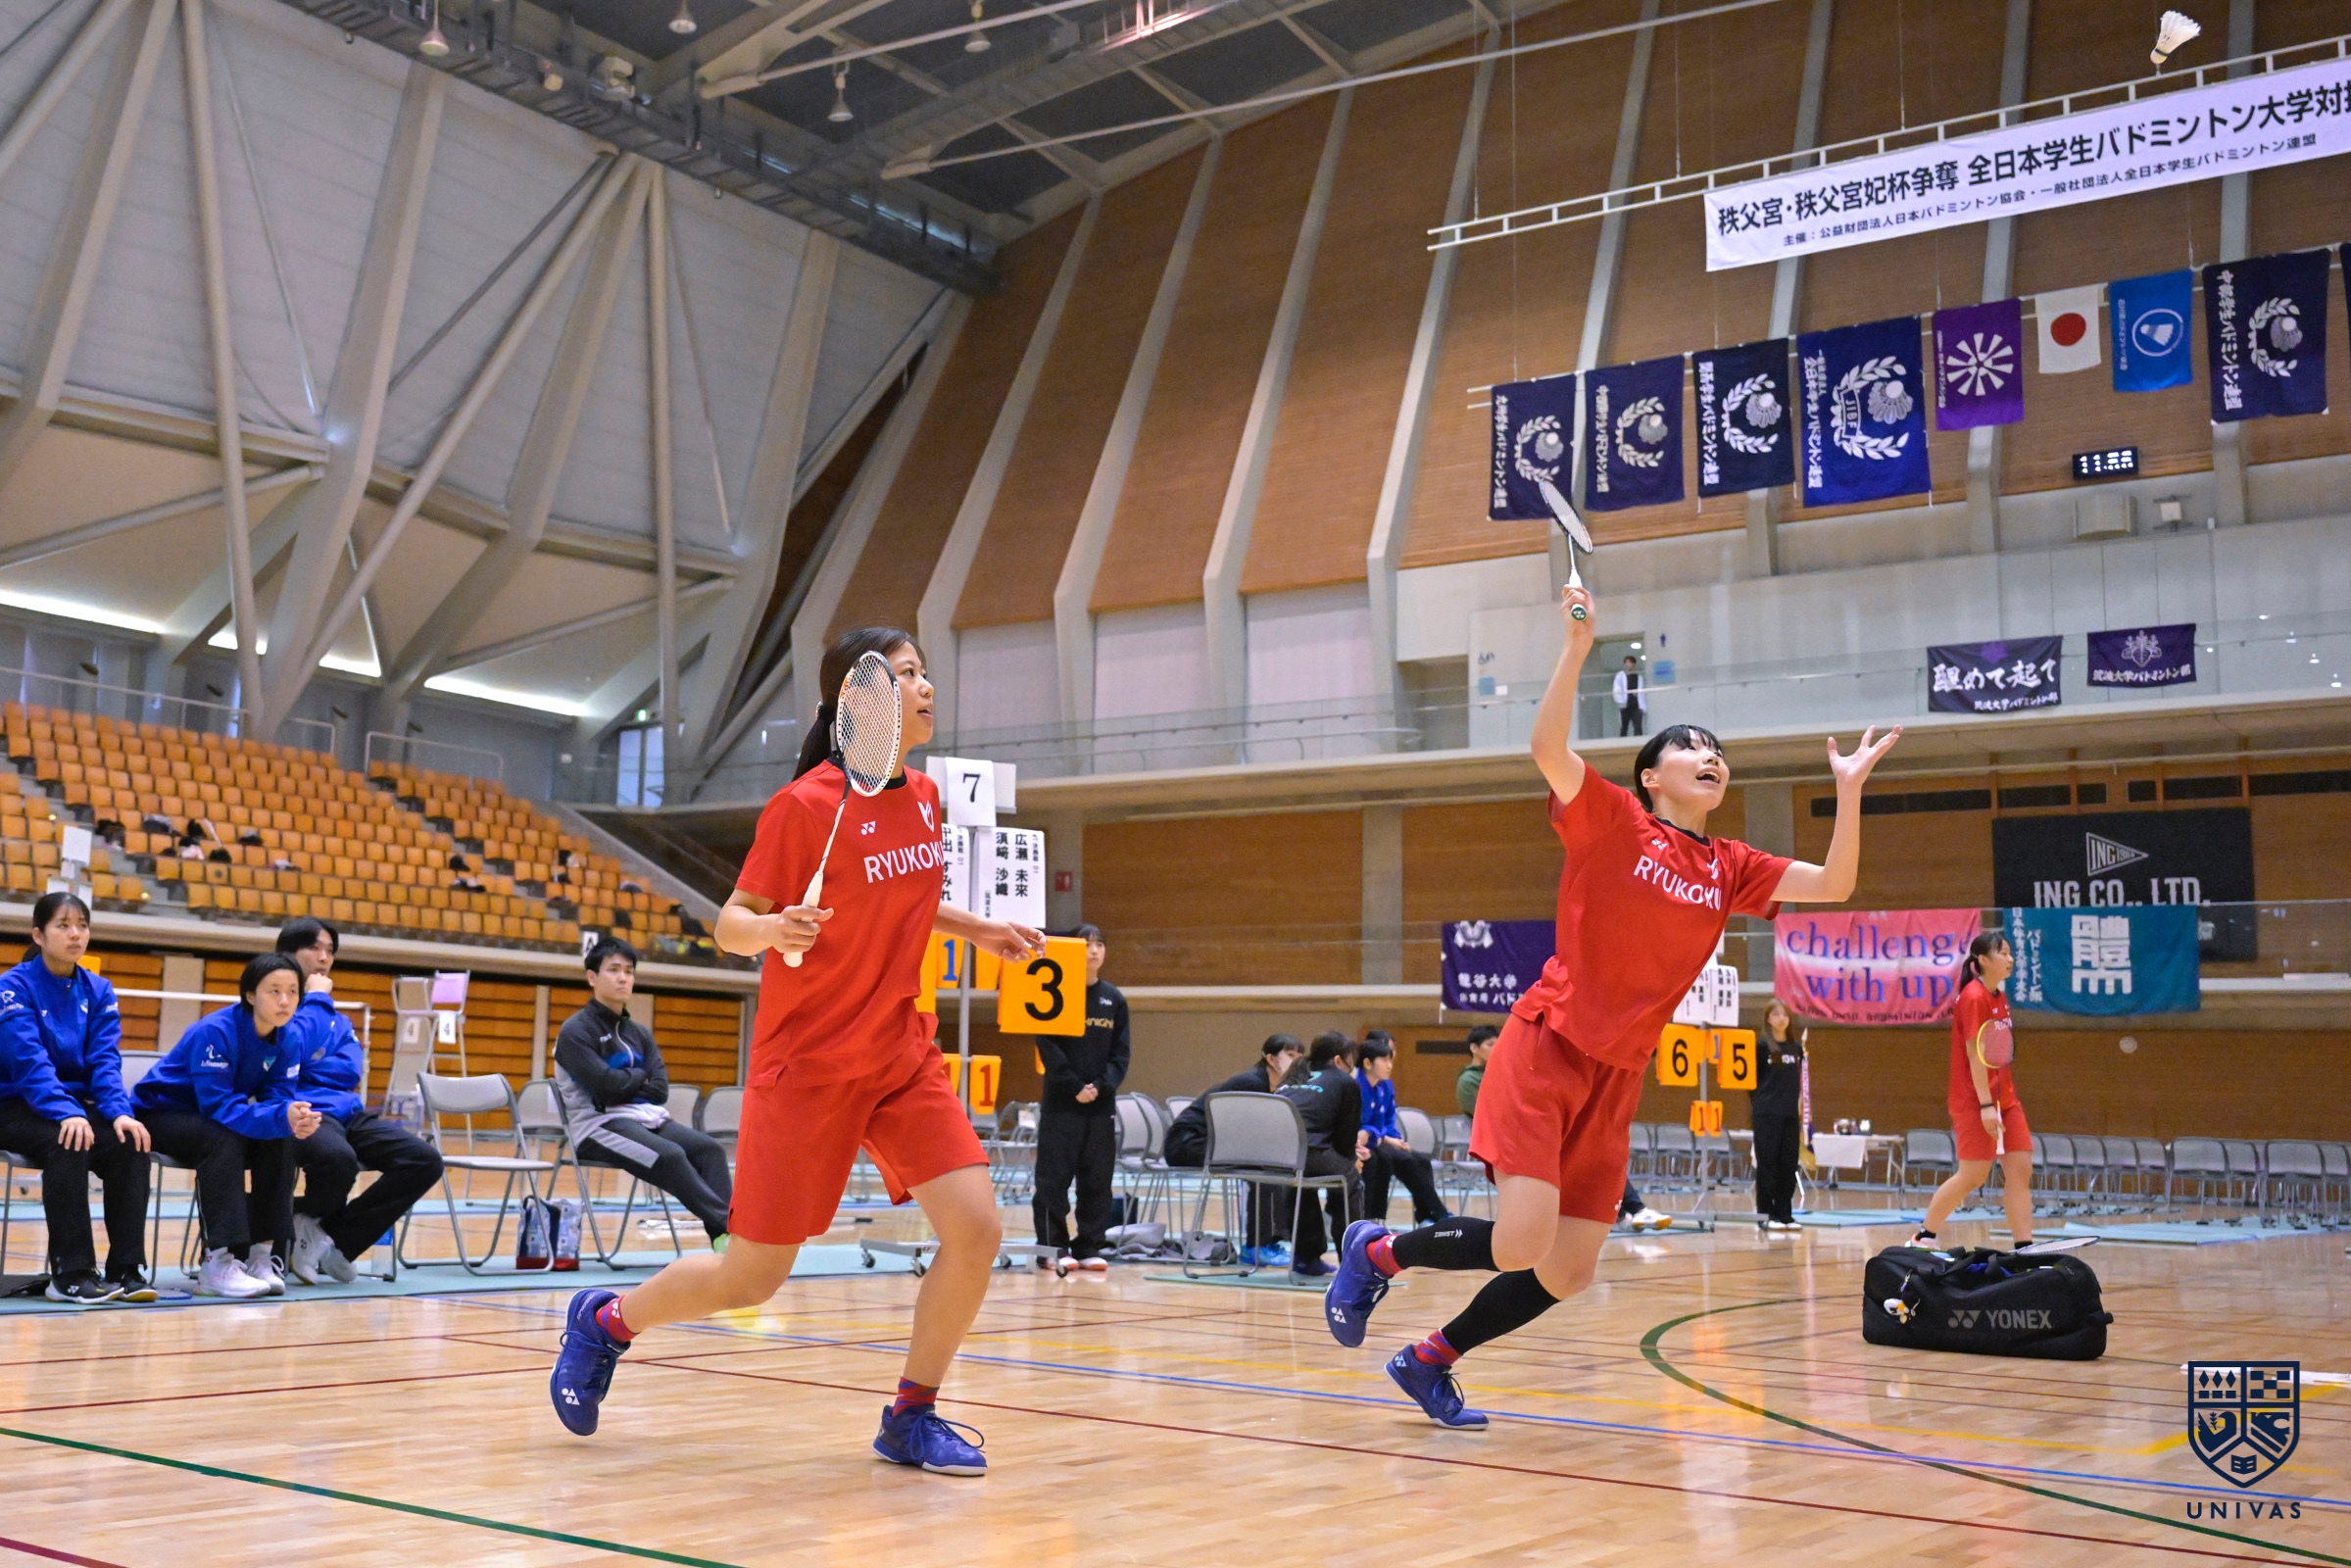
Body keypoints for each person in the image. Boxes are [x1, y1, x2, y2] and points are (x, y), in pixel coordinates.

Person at [1322, 581, 1899, 1429]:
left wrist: (1846, 793)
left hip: (1617, 1074)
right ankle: (1376, 1251)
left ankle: (1429, 1358)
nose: (1709, 756)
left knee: (1568, 1268)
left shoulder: (1731, 866)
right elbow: (1545, 745)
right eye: (1689, 747)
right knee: (1520, 1242)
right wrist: (1576, 651)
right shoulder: (1614, 821)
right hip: (1549, 1043)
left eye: (1716, 750)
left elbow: (1836, 884)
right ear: (1650, 775)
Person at [550, 626, 1042, 1476]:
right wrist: (773, 930)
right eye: (907, 674)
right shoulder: (804, 807)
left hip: (899, 1057)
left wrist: (977, 928)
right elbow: (730, 923)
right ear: (860, 700)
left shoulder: (925, 796)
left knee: (975, 1228)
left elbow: (901, 892)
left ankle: (911, 1414)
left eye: (925, 673)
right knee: (752, 1277)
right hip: (809, 1067)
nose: (927, 686)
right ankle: (605, 1323)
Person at [134, 953, 322, 1299]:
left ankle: (261, 1256)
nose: (285, 1000)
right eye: (274, 991)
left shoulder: (290, 1037)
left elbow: (277, 1098)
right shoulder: (215, 1031)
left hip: (211, 1117)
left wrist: (292, 1117)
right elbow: (217, 1104)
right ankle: (217, 1263)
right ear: (250, 995)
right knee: (222, 1138)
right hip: (161, 1114)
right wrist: (277, 1116)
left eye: (293, 992)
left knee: (281, 1137)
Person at [0, 893, 153, 1303]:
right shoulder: (12, 987)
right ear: (39, 935)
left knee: (130, 1142)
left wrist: (119, 1113)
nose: (75, 934)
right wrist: (66, 1111)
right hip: (13, 1103)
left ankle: (126, 1269)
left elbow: (105, 1060)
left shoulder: (98, 989)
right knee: (68, 1141)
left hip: (70, 1108)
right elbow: (28, 1061)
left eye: (82, 926)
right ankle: (71, 1273)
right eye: (63, 925)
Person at [277, 918, 443, 1284]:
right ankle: (289, 1225)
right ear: (287, 954)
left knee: (424, 1160)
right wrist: (317, 1003)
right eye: (315, 948)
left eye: (330, 951)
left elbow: (350, 1070)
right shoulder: (275, 1008)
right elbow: (291, 1053)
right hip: (301, 1110)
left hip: (346, 1111)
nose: (324, 958)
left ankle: (333, 1240)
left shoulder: (336, 1019)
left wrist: (314, 1061)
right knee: (338, 1159)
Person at [554, 937, 733, 1246]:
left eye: (629, 971)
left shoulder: (638, 1033)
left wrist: (622, 1080)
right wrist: (639, 1075)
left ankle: (723, 1242)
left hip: (646, 1119)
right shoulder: (575, 1032)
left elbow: (660, 1090)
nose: (623, 978)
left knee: (710, 1150)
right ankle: (733, 1232)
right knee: (671, 1155)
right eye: (613, 970)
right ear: (592, 977)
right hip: (597, 1128)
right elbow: (606, 1091)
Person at [1913, 932, 2052, 1252]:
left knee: (2020, 1169)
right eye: (2003, 953)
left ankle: (2024, 1248)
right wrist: (1986, 1105)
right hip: (1975, 1100)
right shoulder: (1973, 997)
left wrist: (1999, 1101)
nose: (2010, 959)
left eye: (2011, 953)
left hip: (2006, 1099)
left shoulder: (1999, 996)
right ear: (1984, 960)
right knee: (1973, 1175)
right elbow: (1975, 1055)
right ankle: (1924, 1236)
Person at [1031, 924, 1129, 1273]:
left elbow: (1120, 1055)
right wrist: (1073, 1085)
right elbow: (1047, 1044)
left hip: (1100, 1107)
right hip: (1062, 1104)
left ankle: (1089, 1245)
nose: (1094, 950)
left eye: (1100, 944)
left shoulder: (1114, 999)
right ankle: (1052, 1248)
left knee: (1097, 1180)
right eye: (1087, 944)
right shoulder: (1055, 992)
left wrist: (1100, 1087)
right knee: (1053, 1180)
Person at [1274, 1032, 1368, 1277]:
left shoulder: (1292, 1077)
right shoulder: (1345, 1082)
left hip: (1274, 1155)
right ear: (1339, 1059)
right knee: (1350, 1182)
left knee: (1300, 1184)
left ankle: (1305, 1258)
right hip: (1309, 1153)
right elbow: (1346, 1137)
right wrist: (1351, 1161)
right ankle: (1352, 1262)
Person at [1355, 1035, 1446, 1227]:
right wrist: (1387, 1139)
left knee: (1421, 1160)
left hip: (1380, 1139)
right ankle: (1440, 1213)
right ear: (1368, 1061)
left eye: (1392, 1054)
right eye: (1385, 1057)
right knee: (1397, 1160)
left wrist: (1395, 1138)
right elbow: (1360, 1126)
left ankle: (1426, 1216)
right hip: (1368, 1142)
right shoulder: (1357, 1085)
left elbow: (1387, 1118)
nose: (1390, 1062)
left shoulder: (1383, 1085)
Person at [1751, 1001, 1806, 1234]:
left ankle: (1785, 1214)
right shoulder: (1761, 1045)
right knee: (1767, 1165)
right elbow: (1751, 1080)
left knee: (1788, 1164)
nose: (1781, 1018)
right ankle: (1766, 1215)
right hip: (1766, 1114)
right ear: (1768, 1018)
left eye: (1785, 1015)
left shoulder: (1796, 1048)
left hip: (1790, 1115)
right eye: (1776, 1014)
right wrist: (1760, 1104)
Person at [1454, 1025, 1497, 1117]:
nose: (1496, 1049)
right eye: (1490, 1045)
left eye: (1498, 1045)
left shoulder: (1499, 1073)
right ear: (1474, 1048)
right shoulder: (1468, 1080)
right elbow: (1486, 1114)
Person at [1613, 655, 1645, 738]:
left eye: (1630, 663)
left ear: (1634, 664)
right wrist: (1620, 702)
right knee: (1624, 728)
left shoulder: (1638, 677)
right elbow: (1616, 690)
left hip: (1636, 705)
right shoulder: (1620, 676)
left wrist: (1643, 707)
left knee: (1638, 727)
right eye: (1626, 663)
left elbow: (1641, 693)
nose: (1628, 665)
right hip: (1625, 705)